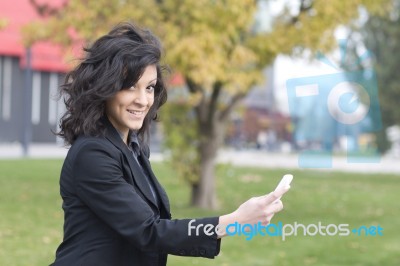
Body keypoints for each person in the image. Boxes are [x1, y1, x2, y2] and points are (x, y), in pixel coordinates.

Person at [51, 22, 289, 266]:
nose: (143, 100)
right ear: (104, 87)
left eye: (150, 87)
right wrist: (234, 221)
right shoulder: (93, 154)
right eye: (130, 86)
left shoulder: (132, 146)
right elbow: (149, 231)